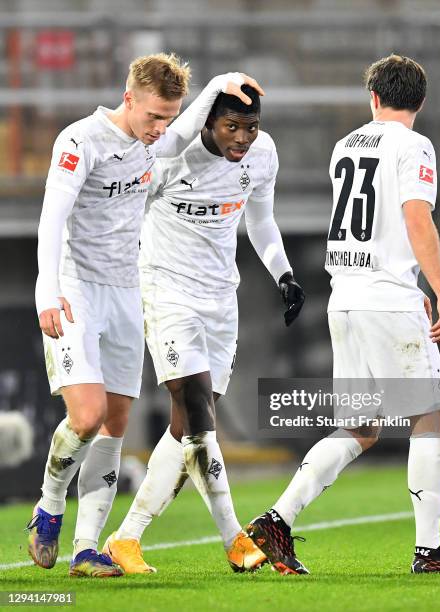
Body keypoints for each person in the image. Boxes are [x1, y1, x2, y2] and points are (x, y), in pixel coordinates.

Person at [244, 54, 440, 575]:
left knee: (361, 427)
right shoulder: (414, 145)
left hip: (347, 298)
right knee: (429, 414)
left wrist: (408, 281)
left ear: (373, 98)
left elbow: (370, 223)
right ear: (420, 101)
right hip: (385, 301)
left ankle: (276, 520)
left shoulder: (346, 145)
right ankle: (430, 551)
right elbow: (415, 218)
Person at [27, 52, 263, 578]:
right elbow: (52, 215)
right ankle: (49, 506)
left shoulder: (155, 145)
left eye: (169, 116)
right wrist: (48, 290)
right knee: (85, 417)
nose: (161, 128)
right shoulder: (80, 140)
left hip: (126, 291)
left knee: (115, 424)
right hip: (76, 289)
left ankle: (87, 548)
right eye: (153, 116)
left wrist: (221, 82)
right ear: (128, 98)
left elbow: (185, 129)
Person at [101, 84, 305, 573]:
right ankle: (235, 537)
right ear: (208, 123)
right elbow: (122, 214)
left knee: (187, 427)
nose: (242, 138)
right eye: (231, 126)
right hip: (168, 293)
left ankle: (126, 539)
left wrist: (284, 274)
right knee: (197, 411)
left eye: (250, 127)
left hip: (221, 301)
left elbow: (261, 220)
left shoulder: (263, 154)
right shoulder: (173, 157)